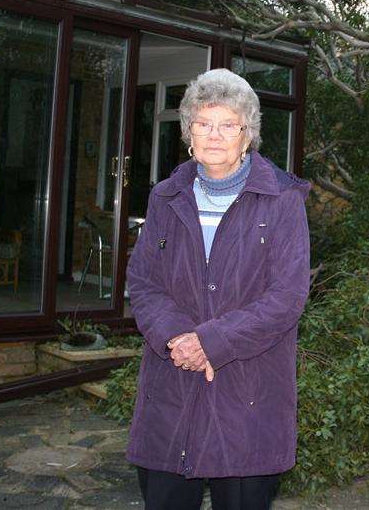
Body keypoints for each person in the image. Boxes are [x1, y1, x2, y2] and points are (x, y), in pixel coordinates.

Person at [126, 68, 311, 510]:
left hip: (248, 395)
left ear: (247, 135)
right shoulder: (165, 197)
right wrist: (178, 339)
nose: (214, 135)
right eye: (203, 123)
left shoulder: (282, 200)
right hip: (173, 386)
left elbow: (286, 296)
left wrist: (211, 342)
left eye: (228, 125)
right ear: (189, 131)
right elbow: (144, 281)